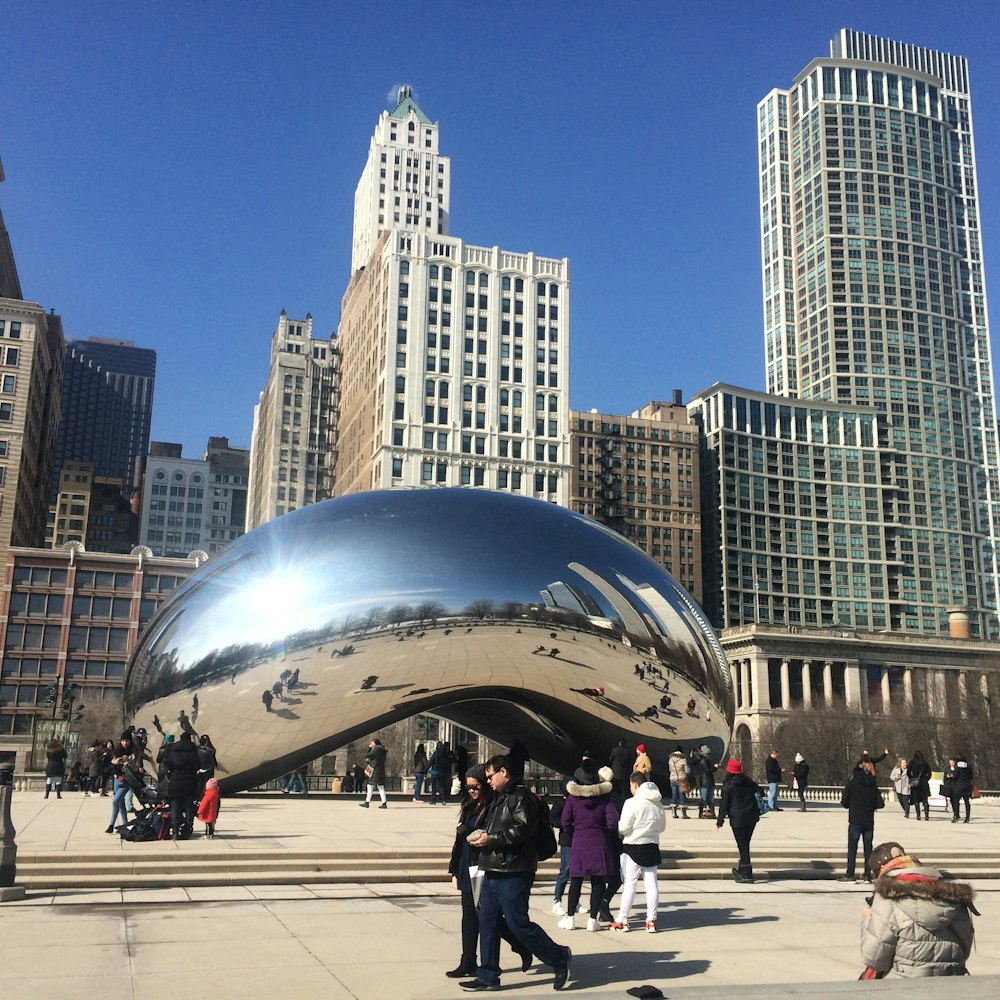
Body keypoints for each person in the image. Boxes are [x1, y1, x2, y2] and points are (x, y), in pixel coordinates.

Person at [462, 754, 572, 992]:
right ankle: (488, 975)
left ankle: (558, 956)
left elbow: (520, 830)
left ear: (504, 772)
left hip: (515, 870)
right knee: (487, 922)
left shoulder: (521, 797)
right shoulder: (500, 798)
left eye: (491, 776)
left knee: (517, 923)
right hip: (492, 868)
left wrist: (489, 839)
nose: (488, 781)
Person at [445, 765, 531, 979]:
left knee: (484, 914)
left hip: (482, 865)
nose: (472, 791)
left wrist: (468, 831)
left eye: (475, 786)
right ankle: (468, 961)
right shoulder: (469, 805)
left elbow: (492, 834)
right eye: (468, 787)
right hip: (467, 863)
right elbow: (459, 840)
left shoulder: (494, 805)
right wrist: (454, 866)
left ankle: (518, 943)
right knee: (469, 916)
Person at [860, 841, 975, 977]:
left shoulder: (887, 898)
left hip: (905, 985)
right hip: (951, 981)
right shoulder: (953, 895)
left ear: (882, 869)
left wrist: (868, 920)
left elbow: (875, 958)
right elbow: (965, 948)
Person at [557, 762, 619, 932]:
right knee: (598, 881)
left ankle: (570, 917)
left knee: (575, 880)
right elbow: (613, 819)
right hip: (599, 840)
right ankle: (592, 920)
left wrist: (573, 832)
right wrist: (605, 831)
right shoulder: (604, 798)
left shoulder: (572, 798)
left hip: (579, 840)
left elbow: (565, 821)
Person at [611, 771, 666, 933]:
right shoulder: (658, 803)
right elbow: (662, 827)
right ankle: (651, 920)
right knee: (652, 885)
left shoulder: (631, 803)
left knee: (630, 884)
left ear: (634, 784)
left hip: (633, 846)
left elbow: (623, 827)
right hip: (652, 845)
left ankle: (622, 919)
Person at [716, 759, 763, 883]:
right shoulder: (749, 782)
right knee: (745, 843)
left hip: (738, 817)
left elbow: (724, 803)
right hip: (752, 816)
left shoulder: (728, 784)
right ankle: (742, 868)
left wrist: (720, 819)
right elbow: (761, 792)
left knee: (742, 845)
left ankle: (747, 872)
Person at [840, 758, 884, 882]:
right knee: (868, 849)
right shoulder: (872, 783)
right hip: (868, 820)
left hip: (855, 819)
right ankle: (867, 875)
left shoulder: (852, 782)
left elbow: (844, 802)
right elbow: (880, 803)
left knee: (852, 848)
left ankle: (850, 874)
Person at [165, 731, 200, 840]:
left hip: (175, 781)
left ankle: (175, 831)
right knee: (189, 806)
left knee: (175, 806)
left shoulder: (173, 750)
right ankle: (187, 828)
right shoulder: (193, 750)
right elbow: (197, 766)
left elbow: (168, 766)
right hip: (189, 781)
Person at [549, 779, 572, 917]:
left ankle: (574, 901)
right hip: (566, 840)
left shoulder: (578, 802)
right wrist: (565, 824)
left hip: (578, 839)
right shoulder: (560, 803)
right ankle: (557, 900)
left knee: (577, 872)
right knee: (565, 870)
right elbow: (552, 818)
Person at [359, 738, 388, 808]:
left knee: (370, 785)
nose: (371, 744)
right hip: (380, 769)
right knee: (380, 786)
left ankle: (367, 802)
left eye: (372, 743)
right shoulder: (382, 750)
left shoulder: (376, 749)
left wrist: (369, 748)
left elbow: (368, 755)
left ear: (375, 743)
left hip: (374, 769)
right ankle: (384, 802)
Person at [667, 746, 691, 820]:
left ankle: (674, 813)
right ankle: (683, 814)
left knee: (674, 795)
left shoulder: (671, 760)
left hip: (673, 779)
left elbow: (670, 769)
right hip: (681, 779)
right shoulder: (683, 760)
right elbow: (687, 771)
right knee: (682, 795)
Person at [907, 751, 932, 821]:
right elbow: (929, 773)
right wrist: (926, 779)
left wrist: (912, 778)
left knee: (916, 800)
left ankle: (918, 815)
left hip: (915, 784)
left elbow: (908, 772)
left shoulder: (912, 763)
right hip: (924, 784)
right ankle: (927, 816)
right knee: (925, 800)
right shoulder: (925, 763)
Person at [608, 738, 632, 810]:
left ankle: (614, 803)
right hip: (624, 773)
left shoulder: (615, 750)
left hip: (615, 773)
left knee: (614, 789)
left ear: (619, 743)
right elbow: (629, 763)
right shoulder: (628, 752)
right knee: (624, 791)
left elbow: (610, 759)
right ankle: (623, 805)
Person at [694, 745, 717, 818]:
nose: (709, 755)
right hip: (706, 781)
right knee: (706, 798)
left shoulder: (704, 760)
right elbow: (708, 770)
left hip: (706, 781)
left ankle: (709, 813)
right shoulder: (703, 761)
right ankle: (703, 813)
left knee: (709, 798)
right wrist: (714, 767)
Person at [950, 754, 974, 824]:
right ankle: (967, 818)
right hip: (967, 786)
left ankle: (957, 816)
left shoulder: (957, 767)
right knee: (967, 802)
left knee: (956, 801)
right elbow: (971, 777)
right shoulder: (968, 766)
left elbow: (955, 776)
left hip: (958, 786)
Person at [429, 740, 454, 805]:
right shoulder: (445, 754)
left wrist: (425, 770)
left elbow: (431, 762)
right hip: (442, 772)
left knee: (433, 787)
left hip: (434, 772)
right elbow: (447, 763)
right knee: (441, 786)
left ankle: (433, 800)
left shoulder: (435, 753)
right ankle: (443, 800)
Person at [196, 734, 218, 798]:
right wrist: (215, 765)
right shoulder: (210, 751)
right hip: (208, 770)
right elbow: (212, 760)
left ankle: (197, 797)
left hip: (199, 770)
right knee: (207, 784)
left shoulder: (197, 749)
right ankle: (204, 797)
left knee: (200, 784)